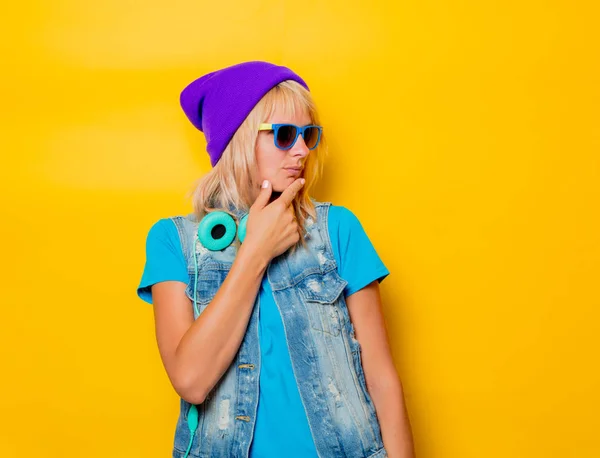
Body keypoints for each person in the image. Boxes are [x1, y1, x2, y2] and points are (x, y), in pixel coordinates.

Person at [137, 61, 415, 458]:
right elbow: (191, 379)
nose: (301, 150)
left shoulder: (339, 230)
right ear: (238, 140)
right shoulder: (173, 242)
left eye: (308, 135)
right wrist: (255, 252)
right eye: (284, 135)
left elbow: (382, 379)